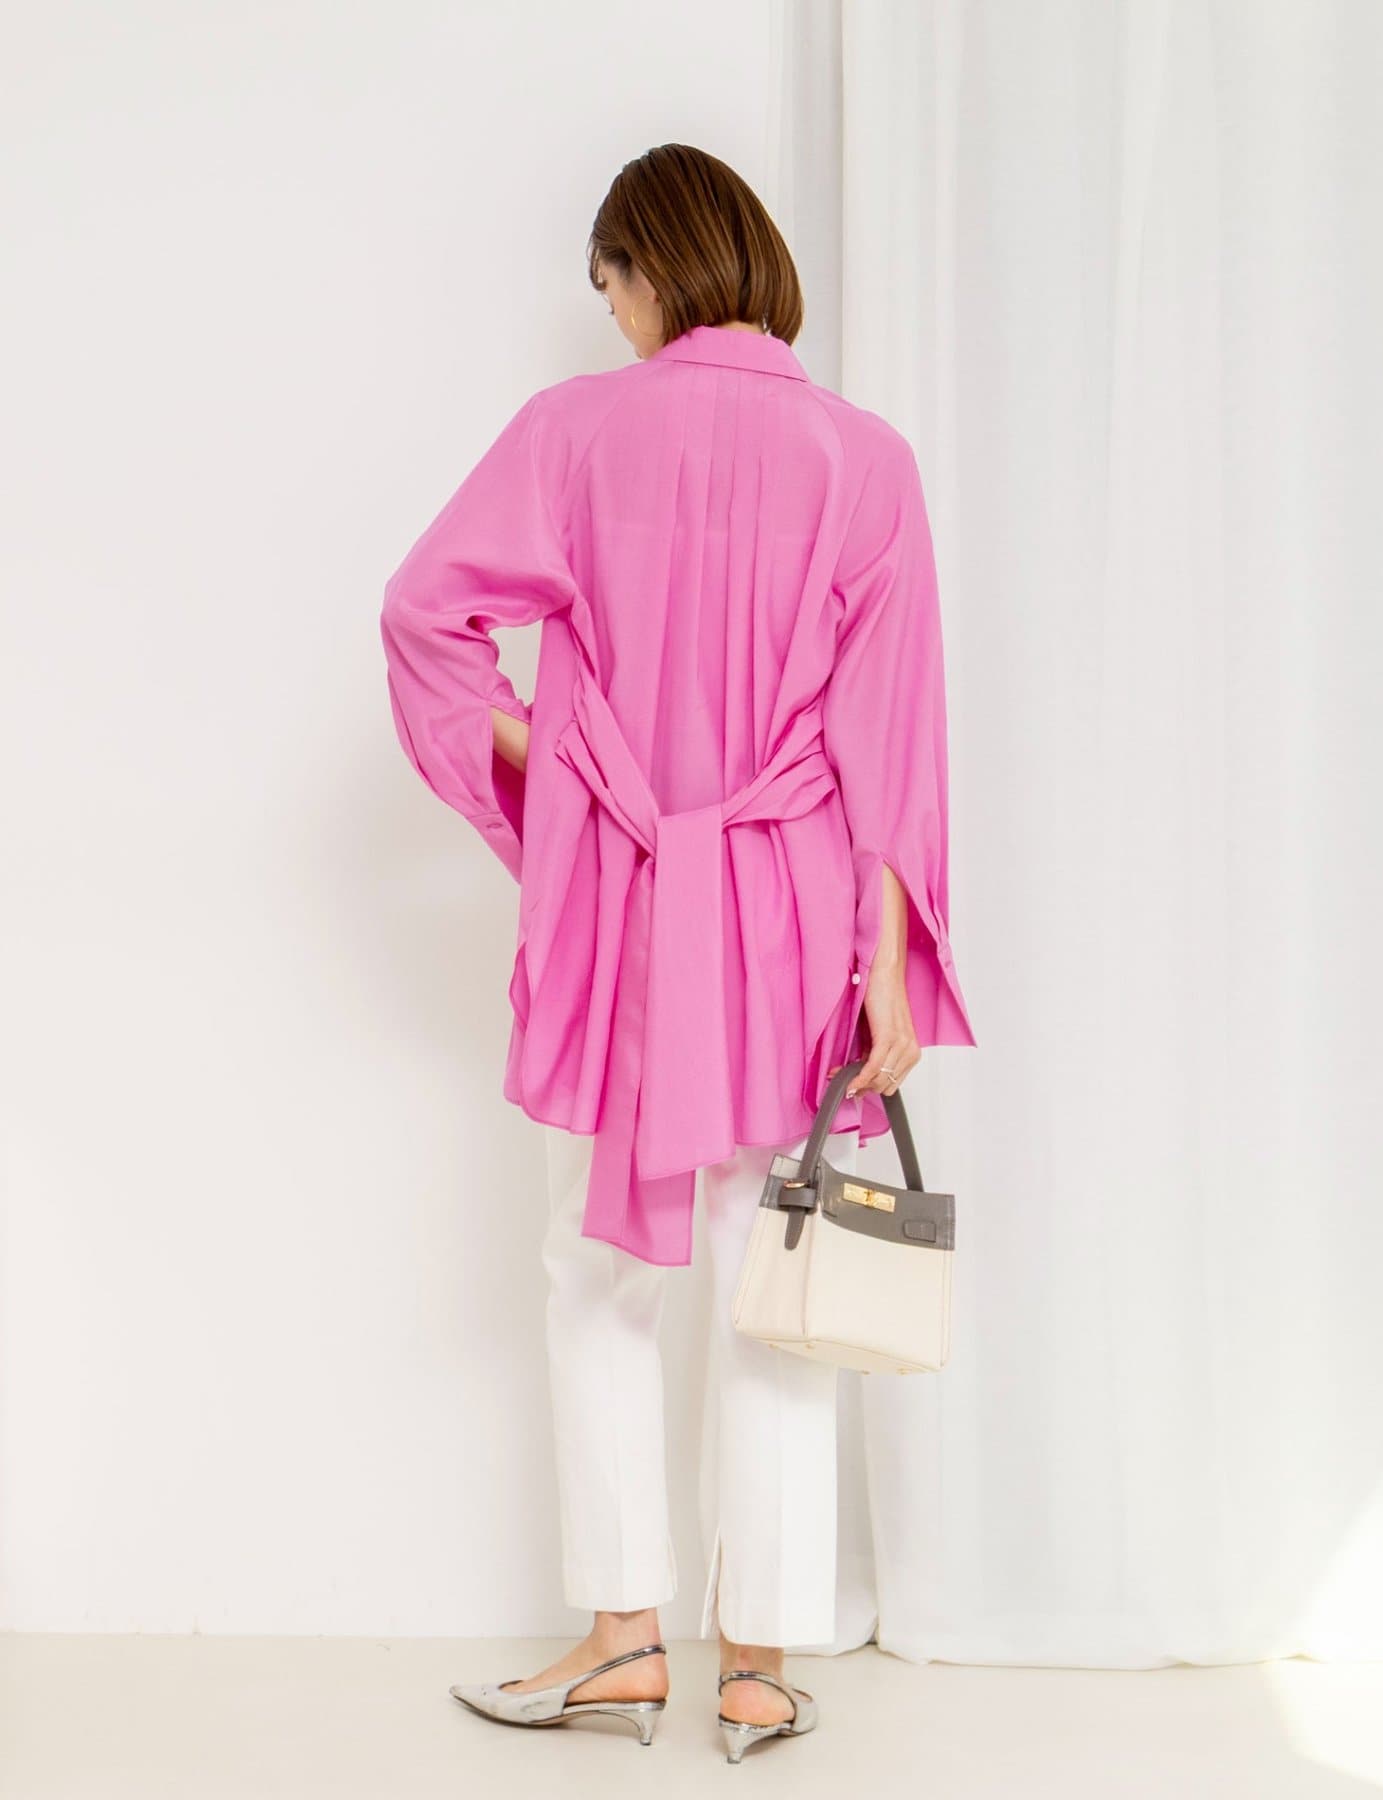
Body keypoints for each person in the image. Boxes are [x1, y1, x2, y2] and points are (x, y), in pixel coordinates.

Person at [378, 142, 977, 1762]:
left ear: (651, 269)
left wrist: (553, 772)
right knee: (777, 1280)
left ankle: (625, 1641)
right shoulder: (867, 460)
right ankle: (760, 1667)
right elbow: (894, 739)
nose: (618, 323)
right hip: (790, 913)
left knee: (595, 1273)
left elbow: (424, 612)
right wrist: (889, 967)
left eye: (615, 290)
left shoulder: (574, 431)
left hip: (623, 906)